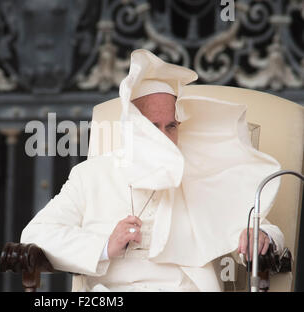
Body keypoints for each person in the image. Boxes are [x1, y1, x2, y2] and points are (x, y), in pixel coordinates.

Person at [20, 49, 284, 291]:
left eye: (171, 126)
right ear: (132, 127)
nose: (164, 137)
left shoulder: (197, 173)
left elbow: (270, 231)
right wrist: (103, 245)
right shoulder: (90, 176)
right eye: (152, 126)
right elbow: (36, 234)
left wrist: (261, 237)